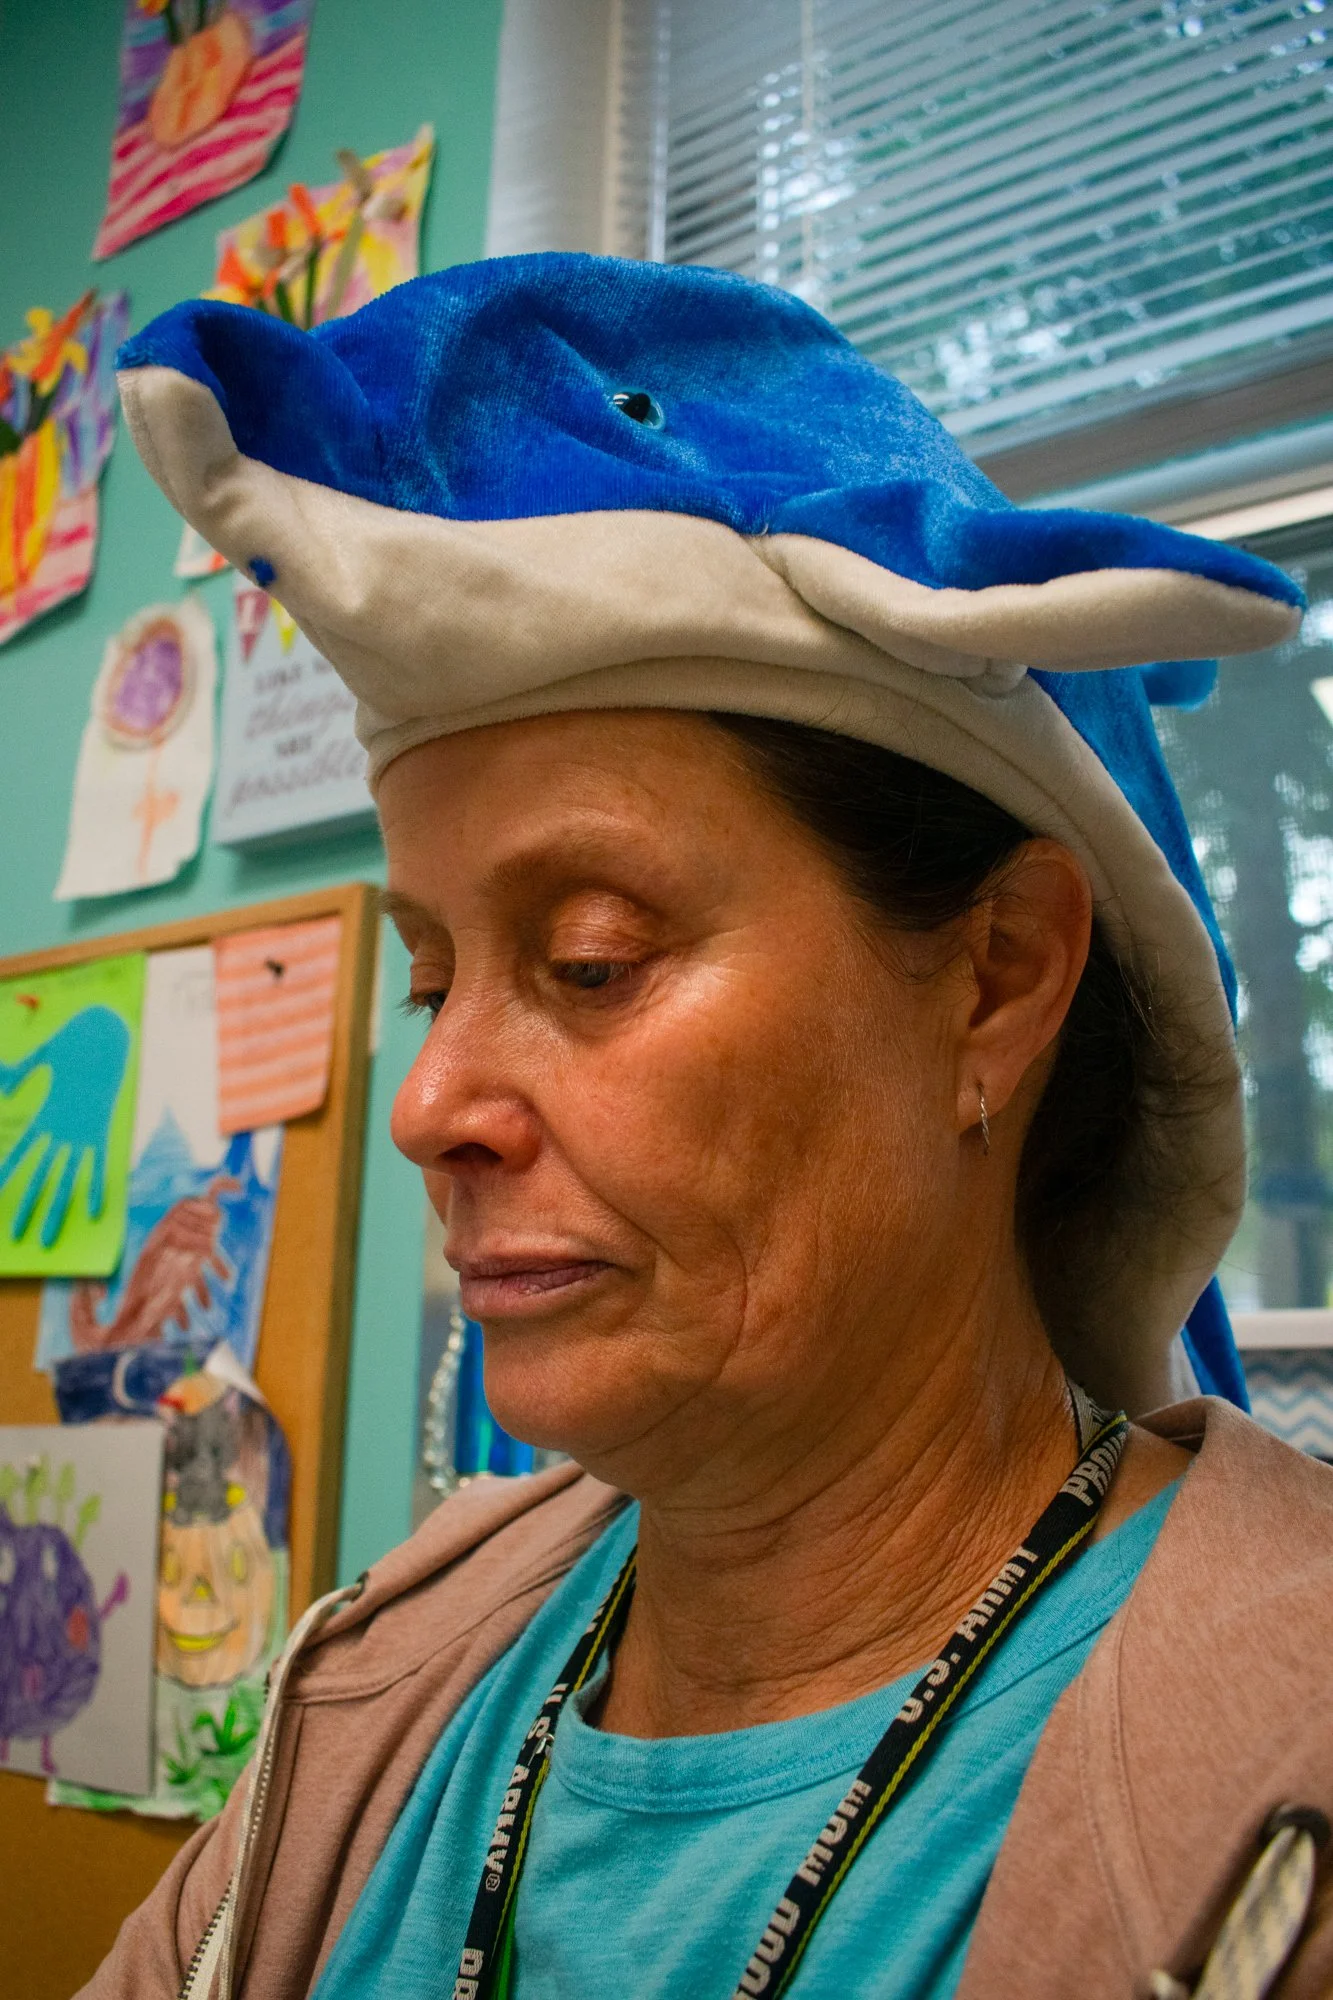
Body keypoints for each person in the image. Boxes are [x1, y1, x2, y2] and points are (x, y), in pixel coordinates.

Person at [87, 255, 1333, 2000]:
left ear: (995, 980)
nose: (432, 1107)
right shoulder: (371, 1679)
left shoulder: (1287, 1783)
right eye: (434, 979)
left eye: (592, 960)